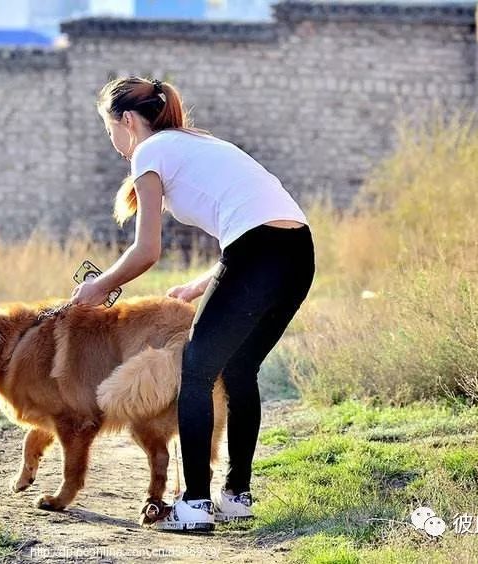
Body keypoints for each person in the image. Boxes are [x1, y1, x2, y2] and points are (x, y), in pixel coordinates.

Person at [69, 76, 315, 532]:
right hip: (298, 253)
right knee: (239, 369)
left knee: (196, 371)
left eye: (110, 133)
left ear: (126, 121)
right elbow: (255, 224)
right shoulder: (195, 142)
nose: (115, 145)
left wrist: (99, 286)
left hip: (257, 254)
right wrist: (203, 284)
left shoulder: (150, 151)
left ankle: (195, 505)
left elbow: (146, 251)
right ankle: (236, 496)